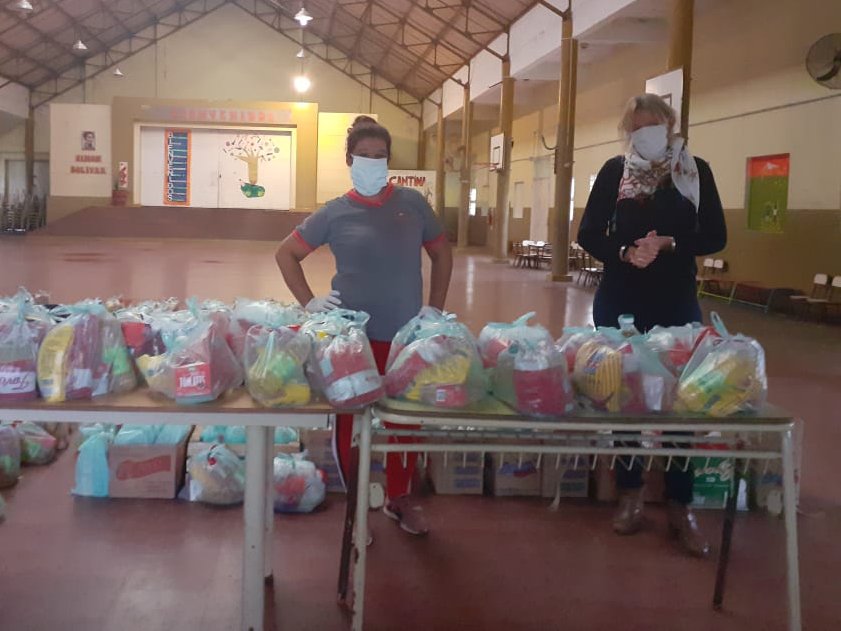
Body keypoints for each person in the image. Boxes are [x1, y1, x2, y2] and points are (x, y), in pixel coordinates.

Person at [276, 116, 453, 536]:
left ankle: (398, 497)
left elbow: (442, 254)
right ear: (349, 160)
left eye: (380, 156)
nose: (372, 162)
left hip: (404, 337)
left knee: (404, 420)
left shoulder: (413, 204)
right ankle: (356, 505)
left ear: (389, 160)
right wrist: (310, 302)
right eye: (364, 156)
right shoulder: (334, 212)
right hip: (350, 342)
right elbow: (286, 254)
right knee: (350, 422)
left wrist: (434, 310)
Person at [577, 94, 727, 558]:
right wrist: (624, 252)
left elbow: (716, 234)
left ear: (670, 125)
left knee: (681, 400)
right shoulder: (613, 172)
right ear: (629, 131)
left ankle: (680, 503)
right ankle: (630, 492)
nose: (647, 133)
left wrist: (669, 243)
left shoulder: (694, 171)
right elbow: (588, 233)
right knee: (626, 395)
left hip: (675, 300)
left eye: (654, 124)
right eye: (638, 126)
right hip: (621, 299)